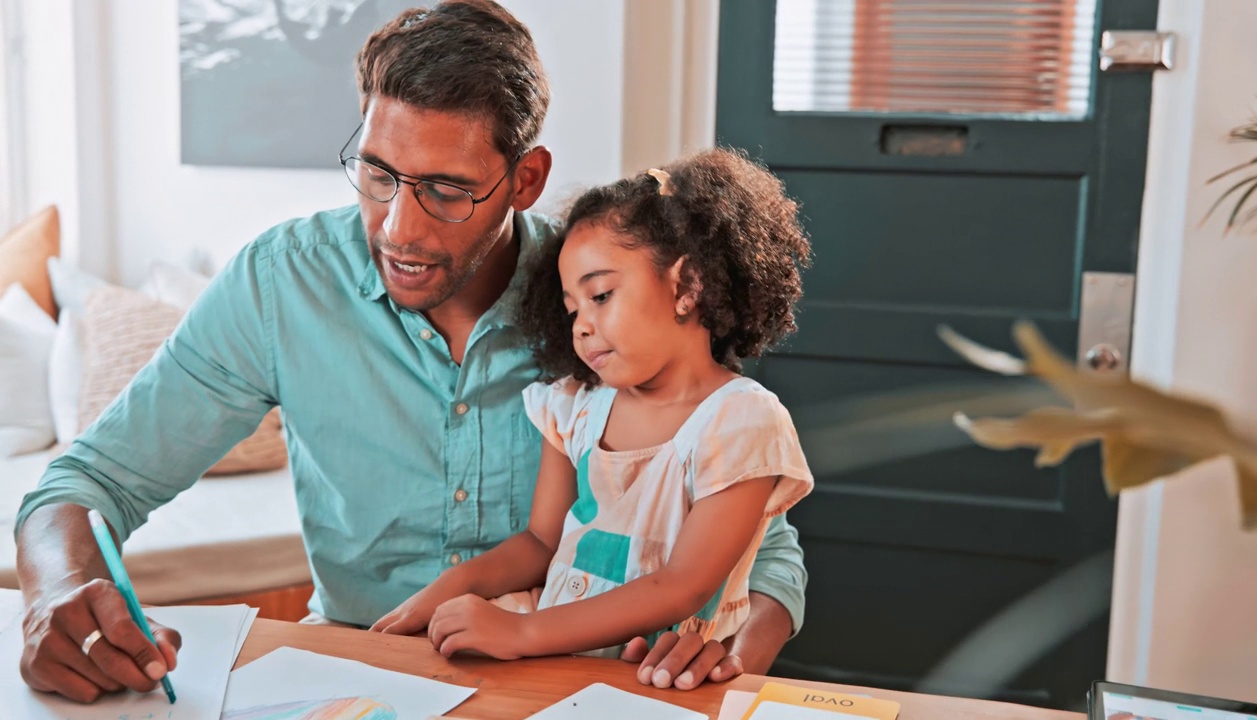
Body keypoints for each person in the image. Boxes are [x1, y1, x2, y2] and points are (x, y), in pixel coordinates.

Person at [13, 0, 808, 705]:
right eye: (378, 174)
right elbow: (87, 483)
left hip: (578, 684)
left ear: (525, 179)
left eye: (448, 190)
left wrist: (733, 641)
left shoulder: (603, 300)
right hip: (356, 674)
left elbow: (757, 535)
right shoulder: (281, 283)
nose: (399, 228)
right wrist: (59, 588)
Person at [371, 151, 814, 660]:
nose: (580, 325)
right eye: (571, 308)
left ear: (687, 286)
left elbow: (683, 586)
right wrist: (447, 590)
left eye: (600, 295)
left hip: (658, 675)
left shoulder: (740, 421)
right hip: (557, 663)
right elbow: (541, 543)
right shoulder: (575, 408)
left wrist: (522, 634)